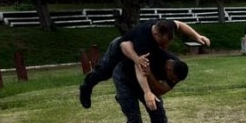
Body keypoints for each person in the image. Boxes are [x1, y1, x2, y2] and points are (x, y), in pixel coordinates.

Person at [79, 19, 209, 108]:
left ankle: (123, 96)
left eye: (168, 42)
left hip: (133, 48)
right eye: (163, 42)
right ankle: (86, 86)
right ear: (155, 34)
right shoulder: (144, 42)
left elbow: (179, 25)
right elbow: (139, 68)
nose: (166, 46)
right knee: (104, 73)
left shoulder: (165, 26)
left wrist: (197, 36)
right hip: (121, 48)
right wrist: (147, 92)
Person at [113, 48, 188, 123]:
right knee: (134, 117)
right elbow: (139, 68)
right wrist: (147, 90)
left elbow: (161, 90)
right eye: (173, 78)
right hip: (125, 78)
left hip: (147, 82)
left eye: (175, 80)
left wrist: (150, 77)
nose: (173, 81)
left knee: (158, 112)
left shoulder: (178, 71)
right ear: (169, 69)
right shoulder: (153, 55)